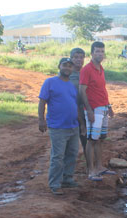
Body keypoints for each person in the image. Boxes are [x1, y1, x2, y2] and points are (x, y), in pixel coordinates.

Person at [38, 57, 79, 195]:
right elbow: (42, 102)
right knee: (58, 156)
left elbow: (75, 105)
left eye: (69, 66)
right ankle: (55, 184)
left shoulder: (71, 86)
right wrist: (41, 120)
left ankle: (67, 179)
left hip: (73, 126)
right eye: (64, 65)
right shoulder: (50, 82)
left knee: (72, 154)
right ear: (59, 66)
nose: (67, 68)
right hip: (58, 126)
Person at [79, 41, 115, 181]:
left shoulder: (101, 68)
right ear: (92, 53)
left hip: (103, 107)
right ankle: (91, 170)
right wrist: (88, 110)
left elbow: (102, 89)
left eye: (102, 51)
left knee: (100, 138)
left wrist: (109, 106)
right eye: (97, 51)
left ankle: (99, 167)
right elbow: (82, 90)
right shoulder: (86, 69)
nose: (100, 53)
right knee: (91, 139)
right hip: (93, 109)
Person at [68, 48, 87, 154]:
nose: (79, 60)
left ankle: (90, 167)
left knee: (87, 141)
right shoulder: (67, 75)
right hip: (71, 113)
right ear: (71, 58)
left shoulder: (85, 72)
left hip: (85, 110)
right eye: (75, 57)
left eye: (81, 57)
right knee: (71, 144)